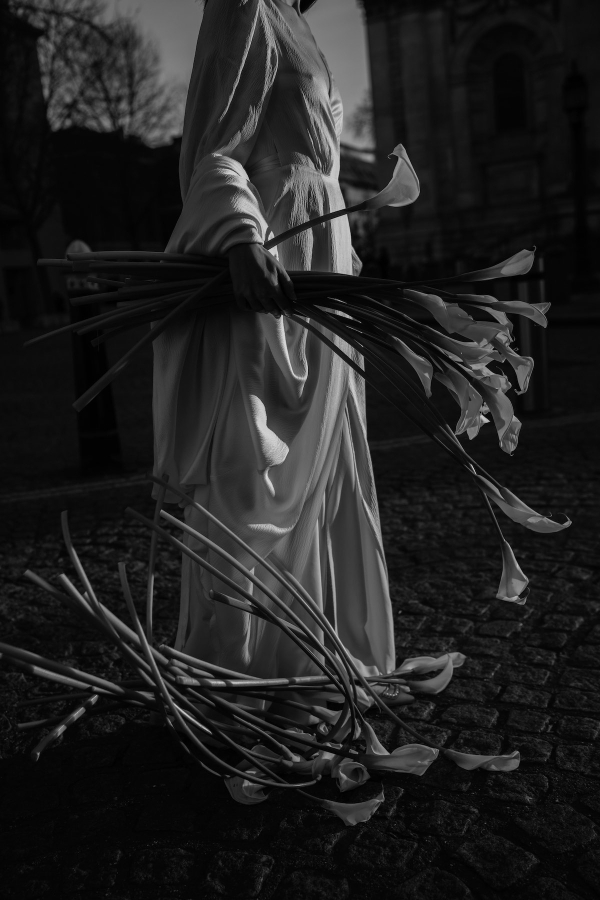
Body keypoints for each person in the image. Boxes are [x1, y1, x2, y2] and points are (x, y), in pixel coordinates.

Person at [152, 0, 410, 712]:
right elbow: (211, 150)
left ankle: (315, 660)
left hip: (325, 273)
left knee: (324, 472)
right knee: (256, 469)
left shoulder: (306, 29)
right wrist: (239, 235)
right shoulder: (245, 8)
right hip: (274, 267)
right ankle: (243, 678)